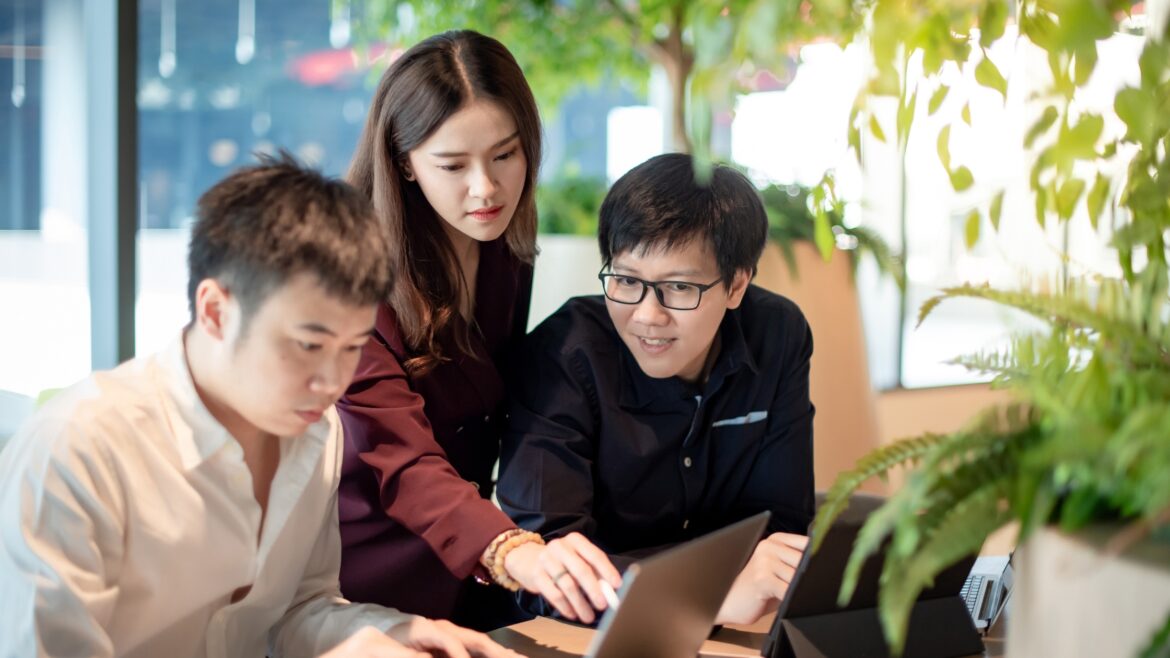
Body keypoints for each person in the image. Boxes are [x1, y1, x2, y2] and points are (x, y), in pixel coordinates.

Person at [0, 155, 519, 658]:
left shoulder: (315, 431)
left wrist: (395, 632)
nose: (332, 382)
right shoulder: (77, 453)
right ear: (215, 311)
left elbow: (299, 608)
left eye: (353, 347)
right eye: (308, 345)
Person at [339, 29, 620, 631]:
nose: (486, 188)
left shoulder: (502, 250)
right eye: (452, 165)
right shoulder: (350, 282)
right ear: (403, 163)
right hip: (368, 581)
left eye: (505, 155)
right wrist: (511, 549)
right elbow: (404, 462)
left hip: (476, 568)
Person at [497, 153, 816, 626]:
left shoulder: (777, 335)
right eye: (626, 280)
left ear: (736, 285)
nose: (648, 315)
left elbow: (781, 526)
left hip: (732, 632)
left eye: (679, 288)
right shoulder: (564, 355)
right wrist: (706, 597)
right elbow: (548, 565)